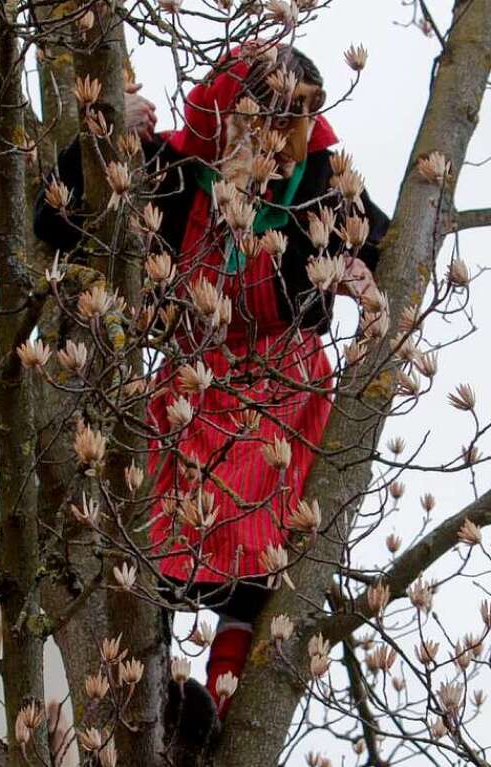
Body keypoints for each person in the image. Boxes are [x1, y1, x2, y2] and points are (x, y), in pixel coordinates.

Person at [33, 45, 389, 727]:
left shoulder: (323, 179)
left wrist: (361, 278)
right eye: (277, 113)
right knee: (153, 541)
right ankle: (157, 686)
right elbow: (54, 222)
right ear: (236, 108)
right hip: (193, 383)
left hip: (284, 387)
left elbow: (387, 244)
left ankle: (226, 697)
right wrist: (101, 137)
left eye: (304, 117)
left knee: (264, 555)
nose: (288, 136)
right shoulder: (177, 169)